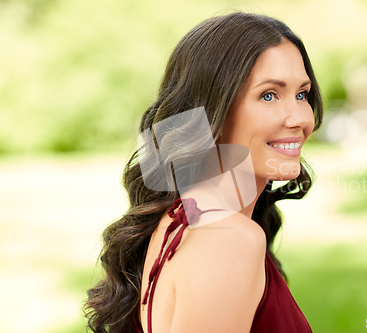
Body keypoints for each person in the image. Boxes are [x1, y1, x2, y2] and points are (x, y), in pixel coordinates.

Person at [84, 11, 323, 333]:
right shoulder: (228, 240)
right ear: (212, 110)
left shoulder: (184, 217)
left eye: (301, 94)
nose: (299, 118)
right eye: (269, 95)